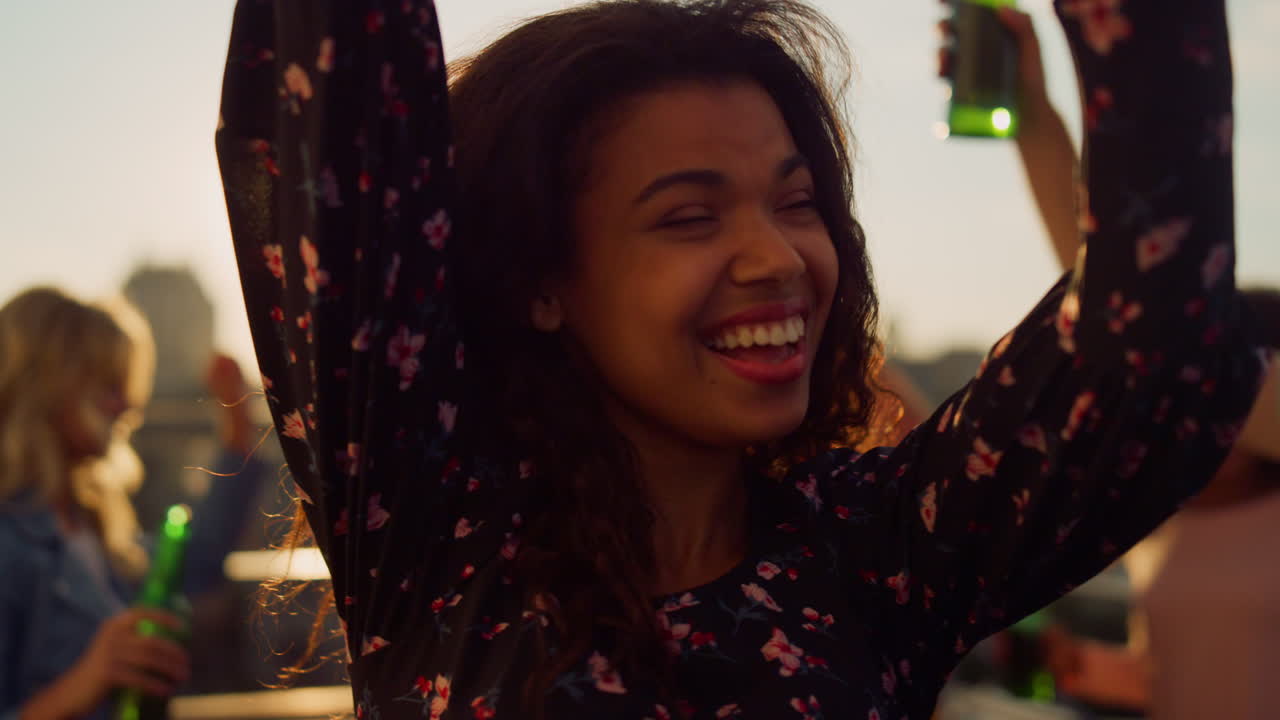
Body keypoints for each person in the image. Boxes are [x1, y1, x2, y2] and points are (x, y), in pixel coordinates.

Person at [215, 1, 1265, 718]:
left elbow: (1154, 345)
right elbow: (329, 108)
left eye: (796, 201)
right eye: (687, 217)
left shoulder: (881, 551)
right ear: (539, 277)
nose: (778, 257)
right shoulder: (435, 531)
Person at [970, 10, 1280, 718]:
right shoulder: (1159, 511)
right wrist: (1081, 667)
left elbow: (1146, 312)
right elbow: (1169, 677)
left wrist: (1039, 127)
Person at [0, 288, 269, 720]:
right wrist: (86, 681)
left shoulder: (87, 521)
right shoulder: (11, 541)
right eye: (108, 386)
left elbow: (193, 562)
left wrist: (237, 429)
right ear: (44, 388)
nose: (128, 404)